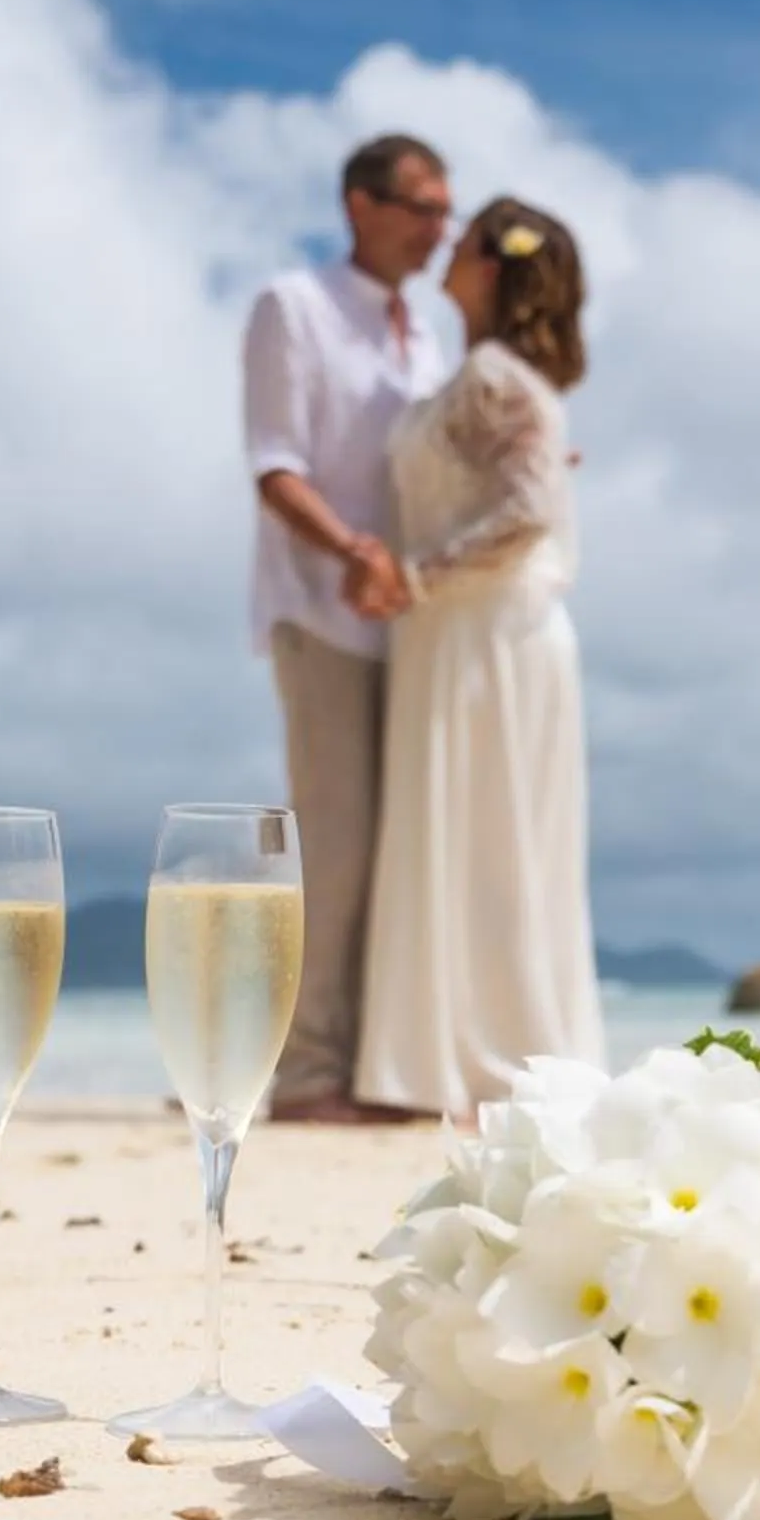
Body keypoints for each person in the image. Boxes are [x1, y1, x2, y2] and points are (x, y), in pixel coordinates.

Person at [350, 197, 602, 1119]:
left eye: (461, 243)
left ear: (492, 266)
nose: (446, 253)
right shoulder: (488, 376)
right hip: (461, 632)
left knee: (490, 842)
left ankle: (499, 1062)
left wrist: (414, 577)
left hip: (487, 634)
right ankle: (457, 1057)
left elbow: (529, 511)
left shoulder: (498, 376)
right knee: (471, 839)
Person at [239, 133, 453, 1123]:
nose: (437, 226)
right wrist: (355, 553)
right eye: (420, 205)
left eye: (445, 209)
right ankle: (308, 1072)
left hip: (415, 628)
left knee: (406, 847)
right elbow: (276, 466)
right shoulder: (296, 307)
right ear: (360, 204)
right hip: (320, 611)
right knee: (337, 845)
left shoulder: (431, 336)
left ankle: (383, 1066)